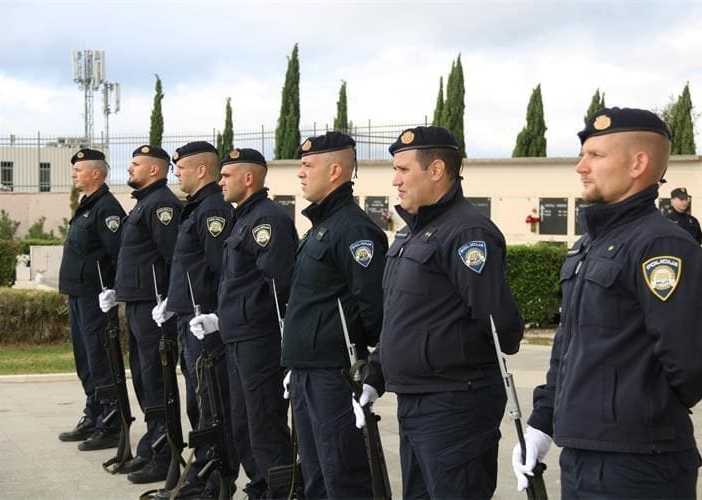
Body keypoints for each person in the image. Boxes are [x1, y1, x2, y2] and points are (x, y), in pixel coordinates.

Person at [512, 107, 702, 499]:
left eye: (596, 155)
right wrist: (543, 422)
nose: (581, 167)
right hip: (583, 454)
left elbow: (692, 364)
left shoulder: (661, 246)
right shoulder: (591, 244)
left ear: (637, 164)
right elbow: (569, 345)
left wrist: (639, 408)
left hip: (640, 463)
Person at [362, 126, 525, 499]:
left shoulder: (467, 233)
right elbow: (401, 316)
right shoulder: (413, 234)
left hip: (455, 404)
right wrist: (376, 372)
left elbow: (499, 323)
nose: (395, 180)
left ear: (436, 170)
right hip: (418, 399)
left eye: (403, 169)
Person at [281, 131, 387, 499]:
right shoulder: (323, 227)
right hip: (308, 371)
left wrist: (356, 359)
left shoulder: (353, 229)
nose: (301, 173)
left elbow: (372, 305)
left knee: (342, 474)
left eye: (308, 165)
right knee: (315, 475)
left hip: (334, 374)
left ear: (335, 171)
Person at [190, 148, 298, 499]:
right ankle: (260, 488)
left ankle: (280, 493)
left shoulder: (268, 220)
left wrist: (238, 319)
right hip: (238, 337)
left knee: (264, 424)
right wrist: (222, 319)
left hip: (259, 341)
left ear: (248, 178)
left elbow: (277, 286)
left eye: (226, 175)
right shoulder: (244, 218)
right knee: (243, 424)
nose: (220, 181)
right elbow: (241, 282)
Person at [150, 141, 238, 499]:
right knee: (197, 403)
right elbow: (190, 267)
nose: (176, 174)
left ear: (201, 170)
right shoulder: (197, 208)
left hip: (205, 326)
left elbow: (221, 271)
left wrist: (216, 316)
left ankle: (215, 479)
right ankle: (202, 473)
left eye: (181, 168)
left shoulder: (212, 211)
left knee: (211, 404)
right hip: (188, 319)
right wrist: (174, 303)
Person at [98, 144, 183, 484]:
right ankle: (151, 445)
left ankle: (164, 453)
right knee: (143, 378)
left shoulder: (162, 205)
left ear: (155, 170)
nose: (129, 168)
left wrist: (171, 301)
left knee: (156, 379)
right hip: (137, 301)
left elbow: (173, 256)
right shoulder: (144, 203)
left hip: (153, 306)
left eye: (136, 164)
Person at [58, 148, 126, 451]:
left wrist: (114, 290)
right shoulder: (88, 204)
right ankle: (94, 414)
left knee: (101, 360)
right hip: (79, 294)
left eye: (79, 169)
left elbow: (118, 253)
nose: (74, 174)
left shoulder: (106, 207)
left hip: (96, 299)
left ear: (96, 173)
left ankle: (111, 424)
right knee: (85, 361)